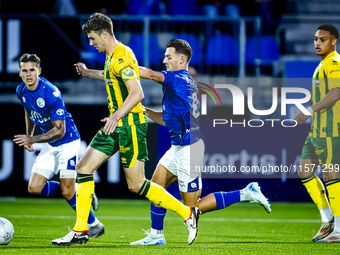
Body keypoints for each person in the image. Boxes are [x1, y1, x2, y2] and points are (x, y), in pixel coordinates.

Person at [52, 13, 200, 246]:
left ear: (104, 34)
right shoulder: (115, 56)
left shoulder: (121, 56)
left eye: (92, 39)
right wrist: (89, 72)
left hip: (129, 125)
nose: (91, 44)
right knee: (83, 167)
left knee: (136, 184)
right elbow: (113, 77)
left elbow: (138, 92)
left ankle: (187, 213)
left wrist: (115, 115)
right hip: (117, 124)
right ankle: (81, 229)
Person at [130, 39, 271, 246]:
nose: (164, 60)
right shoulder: (185, 82)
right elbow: (168, 119)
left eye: (168, 56)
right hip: (179, 146)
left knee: (192, 206)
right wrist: (147, 112)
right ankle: (156, 235)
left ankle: (246, 193)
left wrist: (125, 66)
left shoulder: (177, 79)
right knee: (157, 186)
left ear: (181, 59)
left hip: (189, 150)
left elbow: (150, 74)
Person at [13, 53, 104, 240]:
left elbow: (60, 130)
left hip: (68, 142)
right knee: (34, 188)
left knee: (66, 191)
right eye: (24, 70)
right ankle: (81, 192)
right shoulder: (21, 90)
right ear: (20, 73)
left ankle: (93, 224)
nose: (29, 74)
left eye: (32, 70)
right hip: (49, 143)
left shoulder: (51, 92)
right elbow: (28, 110)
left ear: (39, 71)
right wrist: (29, 136)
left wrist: (34, 139)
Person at [295, 24, 340, 243]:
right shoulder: (322, 64)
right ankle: (328, 220)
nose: (317, 43)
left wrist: (308, 110)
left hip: (331, 128)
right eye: (315, 39)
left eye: (322, 39)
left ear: (334, 41)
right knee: (304, 171)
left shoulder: (334, 62)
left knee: (331, 174)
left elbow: (336, 93)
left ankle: (339, 230)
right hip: (317, 129)